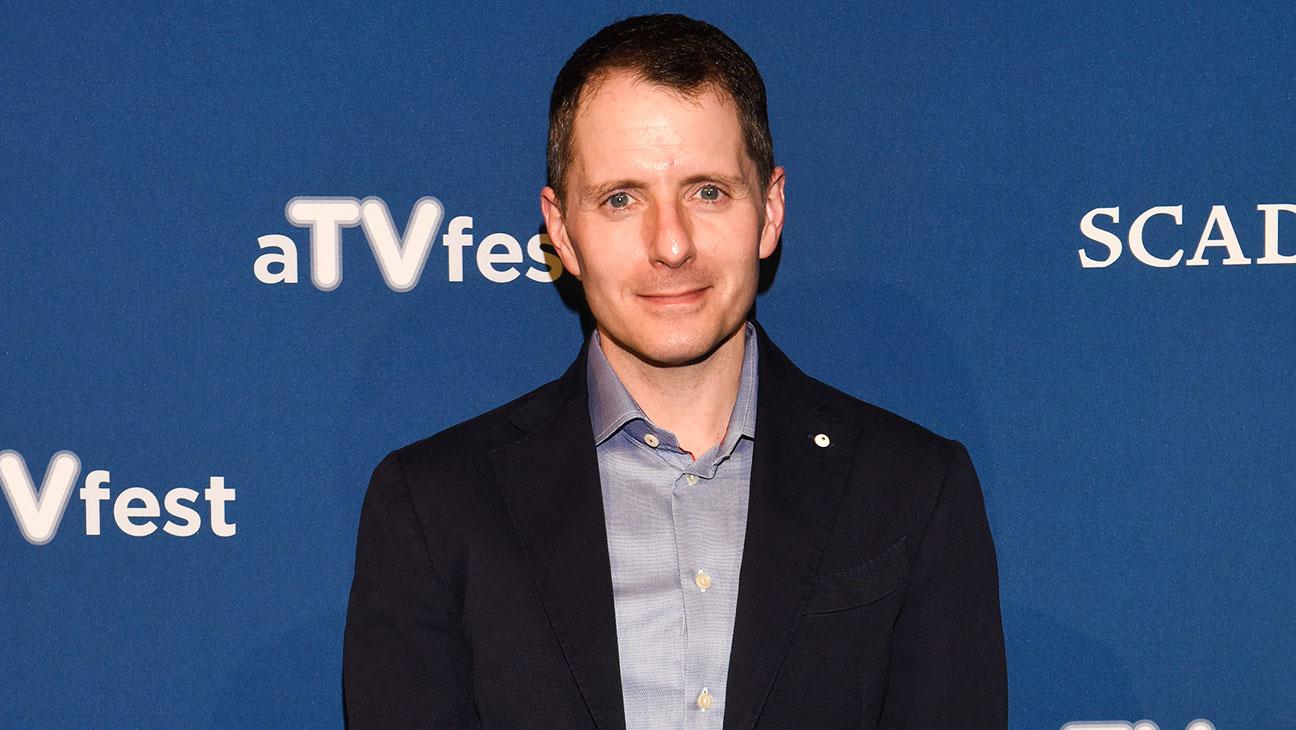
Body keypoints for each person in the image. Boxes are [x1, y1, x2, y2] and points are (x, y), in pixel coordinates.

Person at [343, 13, 1006, 729]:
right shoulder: (435, 507)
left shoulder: (911, 489)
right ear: (562, 230)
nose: (671, 244)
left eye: (707, 191)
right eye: (621, 198)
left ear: (770, 210)